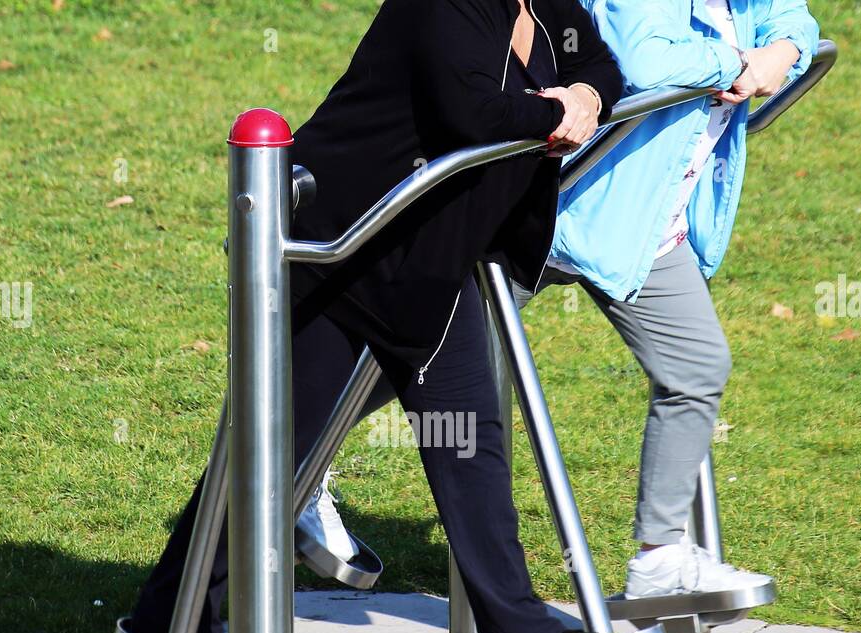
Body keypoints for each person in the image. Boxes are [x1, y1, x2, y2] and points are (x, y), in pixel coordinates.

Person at [124, 0, 630, 633]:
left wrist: (584, 94)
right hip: (344, 250)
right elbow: (472, 112)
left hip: (426, 261)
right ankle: (164, 623)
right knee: (274, 453)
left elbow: (601, 66)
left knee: (466, 440)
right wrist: (558, 115)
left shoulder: (542, 5)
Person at [307, 0, 820, 601]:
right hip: (568, 207)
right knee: (415, 352)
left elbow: (795, 21)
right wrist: (737, 62)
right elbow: (645, 59)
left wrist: (778, 55)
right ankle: (297, 467)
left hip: (647, 226)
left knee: (697, 364)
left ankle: (660, 558)